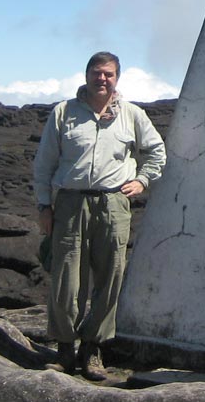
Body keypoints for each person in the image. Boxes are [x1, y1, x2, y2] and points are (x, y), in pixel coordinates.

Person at [33, 51, 166, 380]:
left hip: (113, 204)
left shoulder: (132, 115)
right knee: (66, 279)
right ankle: (64, 349)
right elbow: (44, 163)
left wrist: (143, 180)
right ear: (87, 75)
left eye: (108, 74)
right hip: (70, 203)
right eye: (96, 73)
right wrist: (43, 206)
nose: (101, 79)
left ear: (117, 78)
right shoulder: (64, 113)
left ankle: (93, 350)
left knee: (110, 278)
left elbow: (156, 151)